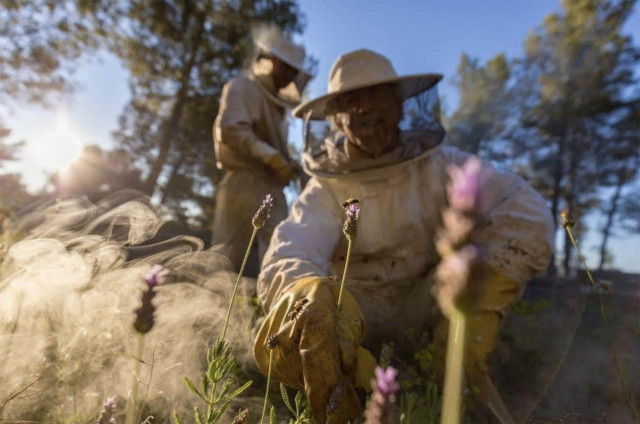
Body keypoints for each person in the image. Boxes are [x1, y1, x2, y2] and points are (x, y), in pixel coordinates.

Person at [253, 49, 555, 423]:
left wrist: (483, 298)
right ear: (334, 121)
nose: (363, 108)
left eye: (376, 94)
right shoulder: (324, 191)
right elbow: (290, 251)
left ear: (399, 106)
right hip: (359, 321)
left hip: (432, 306)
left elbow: (527, 211)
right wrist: (305, 295)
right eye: (349, 101)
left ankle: (466, 375)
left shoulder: (443, 166)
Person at [212, 34, 311, 277]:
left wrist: (289, 164)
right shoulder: (243, 87)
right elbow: (231, 130)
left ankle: (269, 311)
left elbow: (275, 146)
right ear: (273, 60)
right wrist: (271, 157)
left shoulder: (279, 108)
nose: (289, 75)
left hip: (272, 189)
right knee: (224, 262)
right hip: (242, 182)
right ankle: (211, 312)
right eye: (286, 66)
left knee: (280, 258)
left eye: (293, 70)